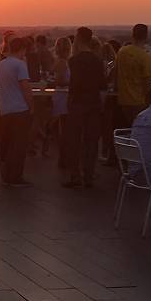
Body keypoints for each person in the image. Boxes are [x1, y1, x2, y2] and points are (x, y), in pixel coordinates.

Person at [63, 28, 105, 187]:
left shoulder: (74, 61)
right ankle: (89, 175)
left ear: (79, 39)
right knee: (91, 141)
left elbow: (74, 84)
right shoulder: (98, 60)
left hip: (78, 103)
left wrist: (70, 100)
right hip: (94, 103)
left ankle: (75, 176)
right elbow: (102, 85)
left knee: (74, 140)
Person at [0, 37, 34, 186]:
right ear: (22, 49)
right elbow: (25, 87)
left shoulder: (1, 64)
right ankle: (16, 176)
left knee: (7, 142)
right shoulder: (20, 65)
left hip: (5, 109)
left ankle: (6, 174)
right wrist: (32, 105)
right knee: (19, 145)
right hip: (20, 109)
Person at [116, 24, 151, 126]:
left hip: (123, 100)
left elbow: (115, 72)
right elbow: (147, 83)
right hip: (139, 102)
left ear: (133, 35)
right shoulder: (145, 56)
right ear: (146, 36)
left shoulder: (121, 51)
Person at [52, 37, 71, 174]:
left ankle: (64, 158)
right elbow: (60, 81)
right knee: (64, 129)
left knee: (64, 129)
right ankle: (64, 158)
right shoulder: (62, 63)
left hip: (62, 96)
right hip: (63, 96)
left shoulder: (62, 62)